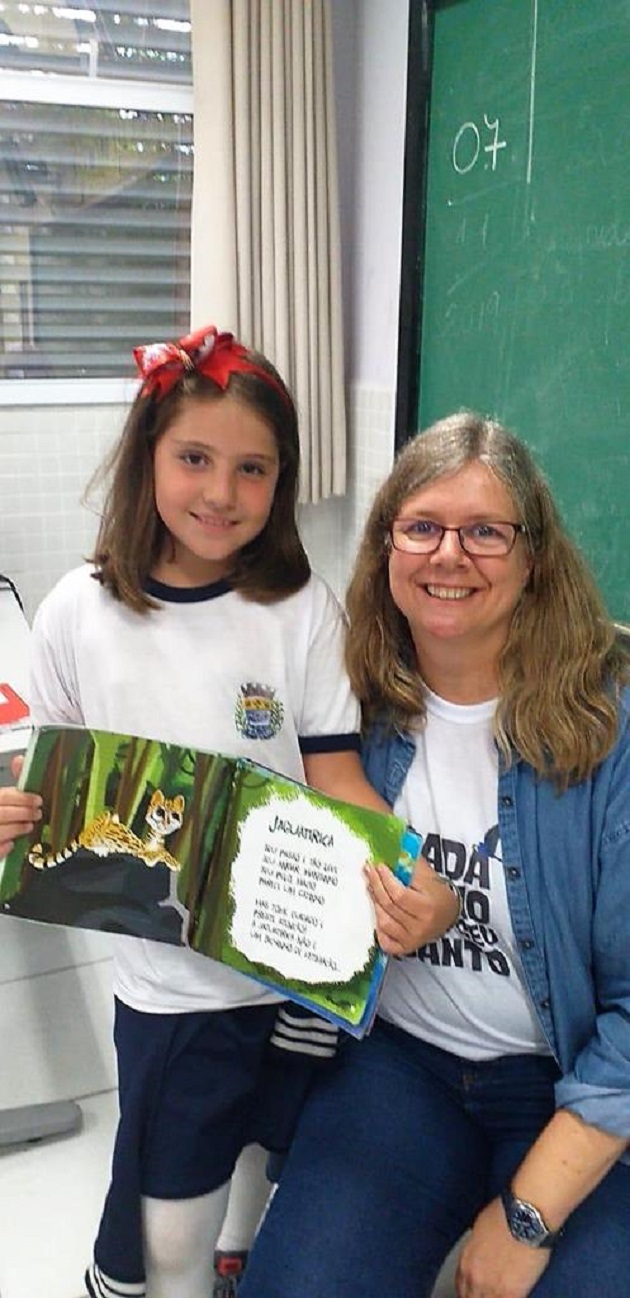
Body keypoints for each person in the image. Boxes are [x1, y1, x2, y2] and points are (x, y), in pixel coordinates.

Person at [0, 325, 458, 1298]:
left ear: (283, 480)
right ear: (147, 457)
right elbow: (40, 769)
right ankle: (126, 1278)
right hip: (172, 993)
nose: (221, 491)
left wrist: (400, 866)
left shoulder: (300, 609)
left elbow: (334, 772)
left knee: (261, 1167)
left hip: (297, 972)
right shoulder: (83, 609)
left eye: (253, 468)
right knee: (167, 1189)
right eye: (195, 458)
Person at [238, 411, 630, 1298]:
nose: (450, 555)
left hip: (572, 1087)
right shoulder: (348, 702)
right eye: (422, 527)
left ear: (534, 559)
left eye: (486, 531)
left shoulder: (612, 731)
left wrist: (528, 1215)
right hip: (401, 1065)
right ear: (386, 547)